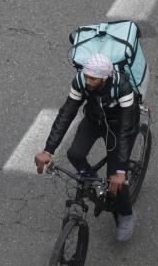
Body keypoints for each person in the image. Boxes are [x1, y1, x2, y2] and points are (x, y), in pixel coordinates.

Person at [34, 53, 139, 242]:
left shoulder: (123, 88)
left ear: (104, 77)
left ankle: (125, 213)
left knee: (115, 177)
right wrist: (48, 150)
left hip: (119, 126)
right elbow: (66, 113)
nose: (88, 81)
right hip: (94, 120)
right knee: (74, 154)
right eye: (87, 76)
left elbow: (126, 129)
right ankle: (93, 180)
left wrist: (120, 170)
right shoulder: (81, 81)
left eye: (93, 78)